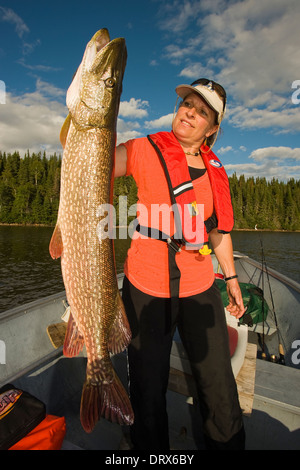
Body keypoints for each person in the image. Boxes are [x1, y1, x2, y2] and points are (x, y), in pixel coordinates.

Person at [115, 78, 246, 450]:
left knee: (219, 385)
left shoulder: (216, 169)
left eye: (202, 110)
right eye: (187, 103)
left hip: (200, 286)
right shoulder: (144, 148)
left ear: (213, 128)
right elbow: (96, 160)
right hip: (146, 287)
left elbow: (218, 232)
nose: (189, 111)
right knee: (148, 388)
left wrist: (232, 278)